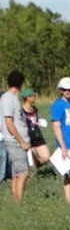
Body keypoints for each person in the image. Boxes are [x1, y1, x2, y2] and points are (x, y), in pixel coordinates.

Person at [50, 76, 70, 201]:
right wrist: (63, 147)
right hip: (67, 145)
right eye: (65, 89)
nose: (68, 91)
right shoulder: (58, 105)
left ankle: (69, 202)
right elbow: (56, 126)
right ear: (61, 90)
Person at [2, 70, 32, 201]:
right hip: (15, 142)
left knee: (16, 174)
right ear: (21, 84)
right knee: (23, 173)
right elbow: (9, 122)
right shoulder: (9, 98)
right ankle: (19, 203)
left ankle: (15, 200)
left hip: (15, 141)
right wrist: (21, 141)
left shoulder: (11, 98)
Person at [21, 88, 52, 169]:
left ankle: (34, 166)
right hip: (28, 138)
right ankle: (32, 168)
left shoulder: (34, 109)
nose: (34, 98)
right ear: (27, 98)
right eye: (33, 96)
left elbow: (36, 120)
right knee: (32, 161)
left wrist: (40, 122)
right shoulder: (21, 111)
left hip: (38, 136)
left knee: (46, 157)